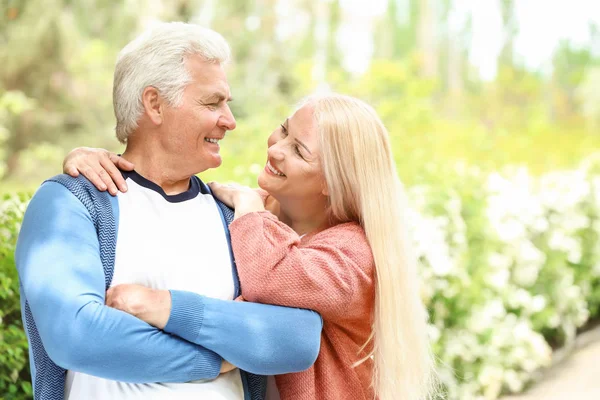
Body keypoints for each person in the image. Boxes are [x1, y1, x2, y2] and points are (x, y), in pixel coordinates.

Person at [15, 22, 323, 400]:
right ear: (154, 104)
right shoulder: (72, 203)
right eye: (212, 103)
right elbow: (78, 336)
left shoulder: (236, 216)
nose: (230, 120)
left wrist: (166, 309)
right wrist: (219, 358)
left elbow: (298, 339)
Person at [63, 94, 439, 400]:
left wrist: (247, 207)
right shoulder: (262, 220)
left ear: (332, 183)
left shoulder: (352, 255)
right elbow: (165, 191)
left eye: (300, 151)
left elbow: (270, 280)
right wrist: (88, 162)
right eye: (284, 130)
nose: (276, 149)